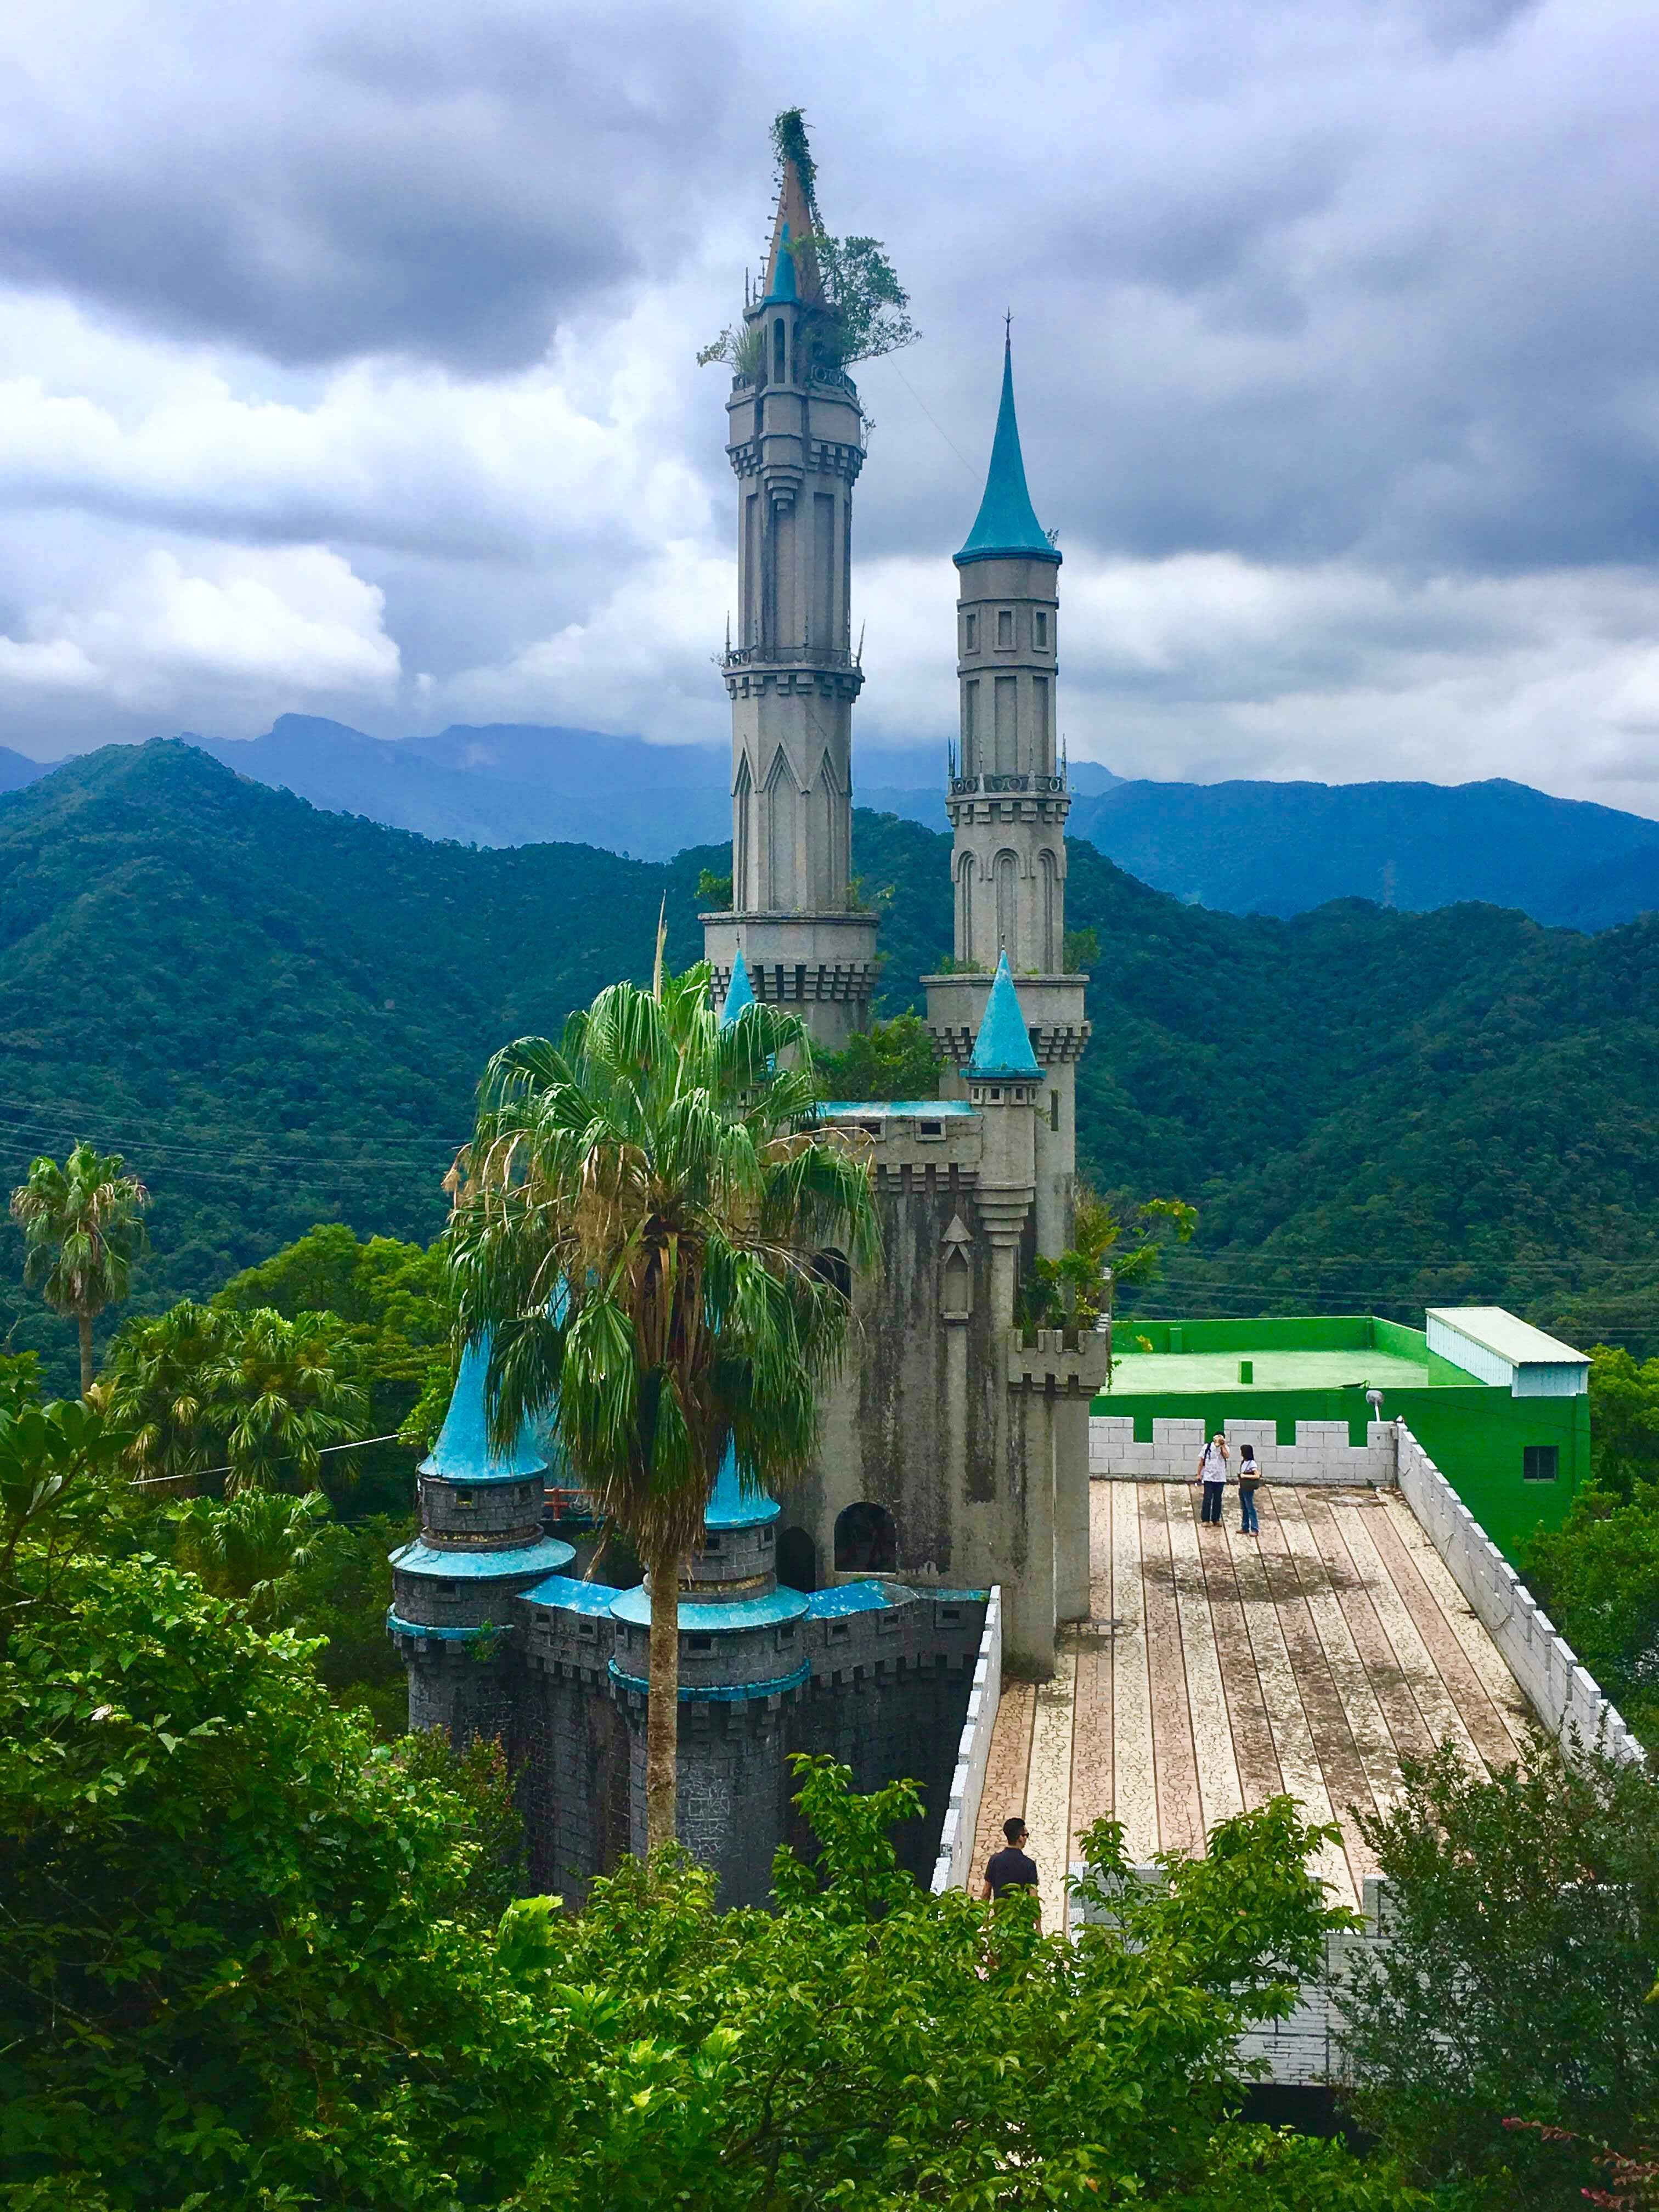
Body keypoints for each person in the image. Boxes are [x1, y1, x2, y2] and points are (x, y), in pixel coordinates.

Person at [982, 1816, 1039, 1902]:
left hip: (1000, 1913)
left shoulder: (994, 1860)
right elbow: (1033, 1898)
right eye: (1026, 1835)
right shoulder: (1029, 1865)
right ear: (1020, 1838)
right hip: (1021, 1914)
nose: (1027, 1838)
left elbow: (986, 1893)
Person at [1197, 1431, 1229, 1525]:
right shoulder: (1207, 1447)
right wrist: (1199, 1474)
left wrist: (1222, 1446)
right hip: (1208, 1476)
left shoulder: (1226, 1448)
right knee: (1207, 1498)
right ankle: (1205, 1519)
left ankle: (1216, 1519)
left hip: (1220, 1477)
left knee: (1218, 1499)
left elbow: (1227, 1456)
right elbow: (1201, 1461)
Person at [1237, 1441, 1261, 1536]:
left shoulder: (1252, 1463)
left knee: (1250, 1507)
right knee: (1244, 1508)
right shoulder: (1244, 1462)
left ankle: (1255, 1529)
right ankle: (1245, 1526)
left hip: (1248, 1488)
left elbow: (1257, 1475)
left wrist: (1245, 1476)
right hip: (1242, 1487)